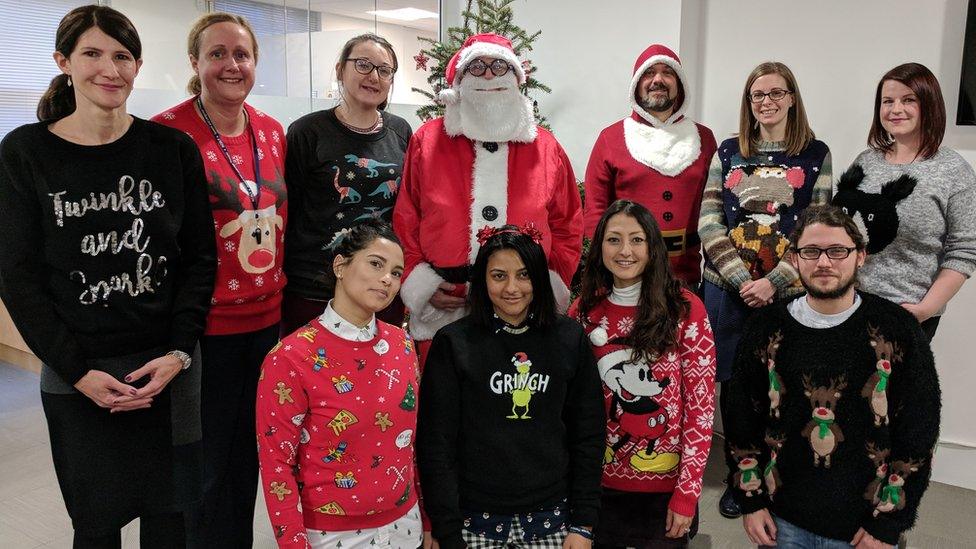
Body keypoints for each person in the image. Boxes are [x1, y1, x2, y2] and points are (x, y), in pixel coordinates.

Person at [0, 5, 216, 547]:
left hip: (168, 369)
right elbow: (17, 277)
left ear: (138, 65)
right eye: (92, 54)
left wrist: (178, 352)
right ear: (63, 62)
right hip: (79, 374)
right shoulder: (25, 152)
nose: (109, 69)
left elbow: (199, 259)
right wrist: (76, 372)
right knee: (95, 526)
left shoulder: (171, 149)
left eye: (122, 56)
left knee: (172, 521)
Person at [723, 204, 940, 549]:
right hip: (783, 517)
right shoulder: (766, 327)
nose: (824, 262)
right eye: (811, 251)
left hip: (863, 526)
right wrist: (751, 500)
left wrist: (889, 522)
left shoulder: (897, 329)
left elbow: (919, 426)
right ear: (794, 259)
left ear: (861, 256)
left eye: (838, 251)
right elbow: (741, 418)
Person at [151, 12, 286, 547]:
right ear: (195, 62)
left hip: (266, 322)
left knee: (246, 458)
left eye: (242, 54)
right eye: (218, 54)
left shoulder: (272, 131)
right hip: (202, 330)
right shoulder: (165, 134)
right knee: (201, 467)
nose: (232, 65)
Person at [393, 33, 582, 366]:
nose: (489, 75)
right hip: (444, 309)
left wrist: (547, 284)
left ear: (516, 79)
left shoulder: (546, 147)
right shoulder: (428, 141)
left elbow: (568, 226)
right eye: (477, 67)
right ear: (460, 78)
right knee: (446, 406)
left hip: (523, 306)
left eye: (499, 66)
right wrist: (420, 283)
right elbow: (407, 218)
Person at [696, 61, 832, 519]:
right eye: (758, 95)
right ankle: (743, 479)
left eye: (776, 93)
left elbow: (817, 227)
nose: (767, 102)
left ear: (792, 98)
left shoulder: (816, 154)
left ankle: (779, 478)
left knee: (782, 389)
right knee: (734, 391)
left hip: (789, 294)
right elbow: (710, 220)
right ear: (748, 102)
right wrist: (741, 279)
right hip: (725, 290)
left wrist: (773, 283)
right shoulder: (728, 151)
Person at [417, 224, 604, 549]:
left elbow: (588, 435)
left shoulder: (569, 338)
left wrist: (583, 523)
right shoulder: (454, 343)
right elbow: (436, 444)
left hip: (552, 519)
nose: (512, 288)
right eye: (498, 275)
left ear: (538, 278)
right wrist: (446, 528)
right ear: (482, 281)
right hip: (473, 522)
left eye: (523, 275)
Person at [256, 219, 422, 549]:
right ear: (340, 266)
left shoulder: (403, 344)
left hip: (407, 527)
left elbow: (410, 444)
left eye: (396, 272)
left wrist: (427, 521)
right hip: (332, 536)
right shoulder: (289, 357)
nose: (387, 279)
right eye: (376, 264)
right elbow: (277, 467)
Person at [570, 200, 716, 548]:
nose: (625, 251)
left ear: (653, 245)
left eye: (637, 239)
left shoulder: (685, 308)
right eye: (614, 239)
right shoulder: (584, 310)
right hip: (599, 489)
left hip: (664, 492)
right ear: (599, 245)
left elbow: (701, 409)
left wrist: (687, 493)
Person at [834, 62, 976, 341]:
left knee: (890, 386)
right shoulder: (866, 161)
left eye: (908, 100)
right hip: (848, 305)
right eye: (888, 101)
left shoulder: (953, 170)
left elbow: (964, 250)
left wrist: (925, 309)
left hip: (907, 312)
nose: (895, 109)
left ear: (929, 104)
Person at [283, 33, 412, 333]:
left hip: (380, 289)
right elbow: (290, 210)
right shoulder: (307, 132)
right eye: (363, 65)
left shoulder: (400, 131)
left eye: (384, 70)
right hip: (315, 288)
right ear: (341, 70)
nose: (374, 77)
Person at [584, 44, 717, 287]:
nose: (658, 79)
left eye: (667, 72)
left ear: (680, 83)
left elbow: (714, 210)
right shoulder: (610, 138)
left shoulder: (704, 139)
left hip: (685, 279)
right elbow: (595, 211)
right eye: (648, 73)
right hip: (624, 277)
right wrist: (604, 270)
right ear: (636, 83)